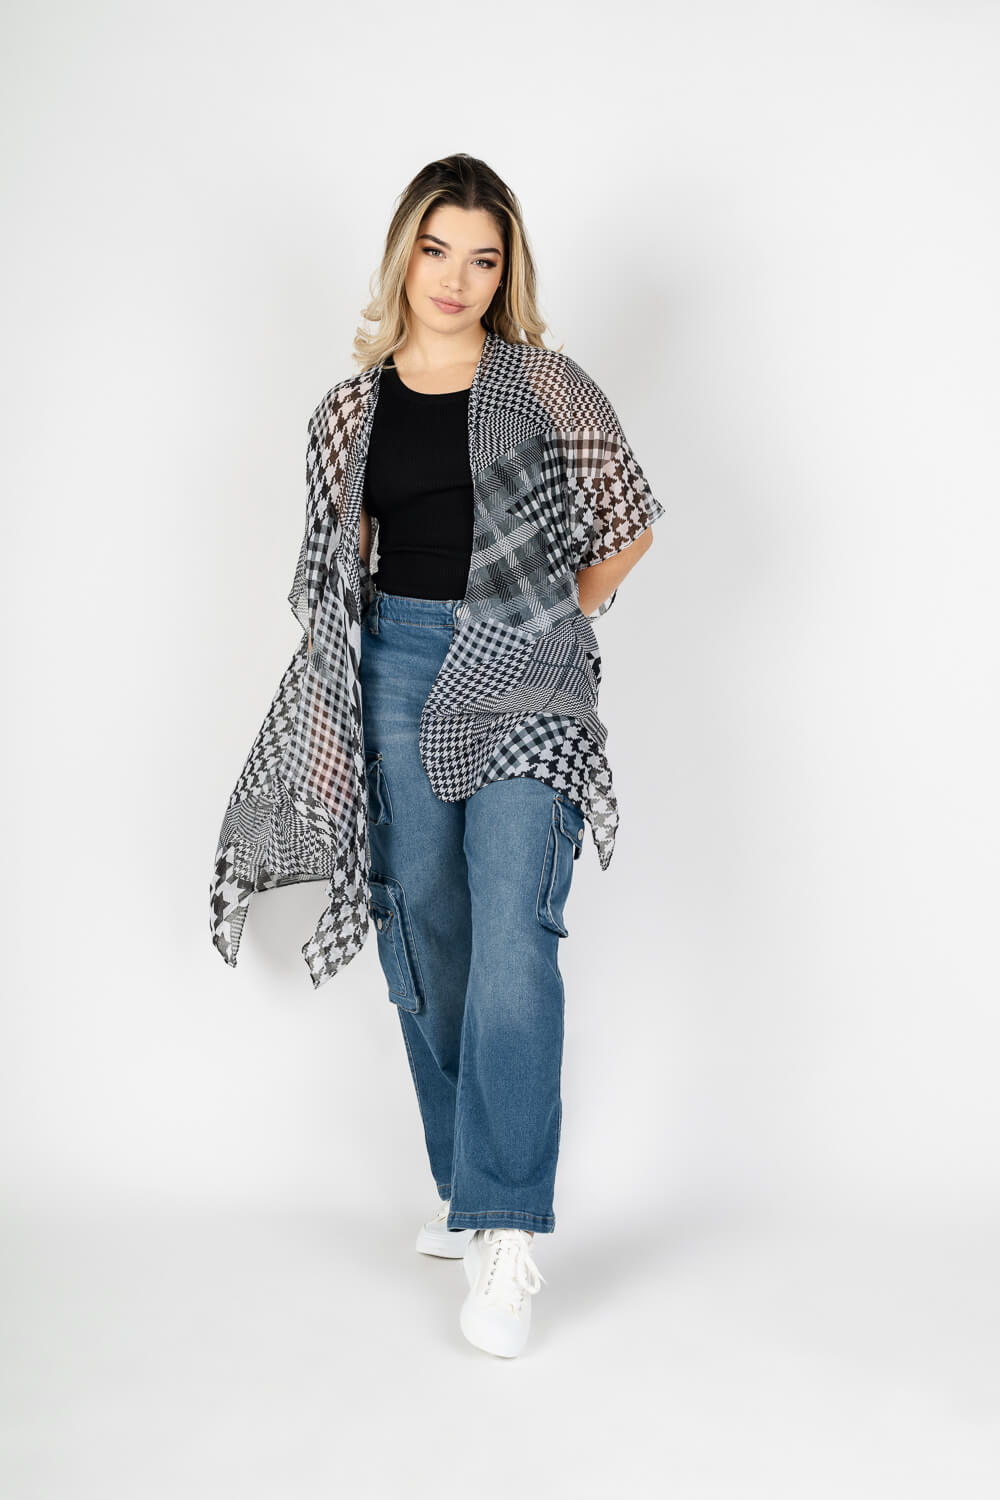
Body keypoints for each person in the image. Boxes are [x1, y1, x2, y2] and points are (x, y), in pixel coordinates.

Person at [209, 153, 664, 1359]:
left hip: (529, 667)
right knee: (424, 922)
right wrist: (334, 721)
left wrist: (549, 616)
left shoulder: (545, 384)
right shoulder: (346, 413)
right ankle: (470, 1183)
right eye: (436, 250)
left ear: (506, 273)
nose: (456, 279)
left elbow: (627, 522)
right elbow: (331, 587)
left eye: (483, 258)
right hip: (396, 662)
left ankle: (507, 1228)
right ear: (403, 254)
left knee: (514, 925)